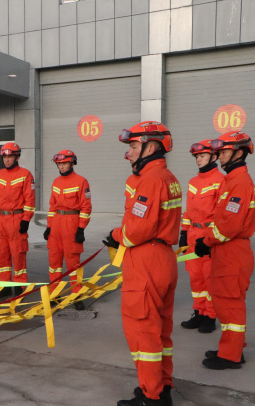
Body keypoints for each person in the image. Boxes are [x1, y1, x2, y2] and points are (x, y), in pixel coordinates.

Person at [103, 121, 180, 406]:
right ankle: (162, 387)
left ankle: (152, 396)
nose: (130, 152)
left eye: (134, 146)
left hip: (146, 260)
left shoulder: (150, 180)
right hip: (163, 258)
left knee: (143, 331)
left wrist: (115, 235)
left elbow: (137, 230)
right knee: (161, 332)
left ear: (151, 147)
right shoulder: (168, 177)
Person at [195, 131, 255, 370]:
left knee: (231, 303)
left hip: (233, 250)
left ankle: (231, 355)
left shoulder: (240, 183)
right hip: (226, 249)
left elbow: (229, 225)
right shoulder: (231, 181)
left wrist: (207, 241)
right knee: (223, 300)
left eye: (224, 152)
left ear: (239, 153)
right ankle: (231, 348)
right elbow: (221, 220)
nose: (219, 156)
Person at [179, 140, 223, 333]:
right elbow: (188, 210)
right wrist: (183, 232)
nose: (198, 159)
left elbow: (222, 215)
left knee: (209, 279)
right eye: (197, 156)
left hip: (209, 237)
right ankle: (198, 312)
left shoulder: (221, 181)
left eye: (202, 156)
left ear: (214, 157)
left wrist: (213, 239)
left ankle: (210, 316)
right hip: (192, 236)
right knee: (196, 278)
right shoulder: (193, 182)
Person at [44, 150, 92, 310]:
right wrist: (49, 226)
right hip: (56, 223)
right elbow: (52, 206)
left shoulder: (81, 181)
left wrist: (81, 228)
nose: (62, 166)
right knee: (54, 263)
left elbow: (86, 207)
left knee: (73, 263)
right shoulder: (56, 182)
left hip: (72, 223)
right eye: (59, 164)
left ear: (72, 163)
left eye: (64, 163)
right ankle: (55, 295)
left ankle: (76, 295)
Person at [0, 142, 36, 298]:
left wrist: (26, 219)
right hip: (1, 220)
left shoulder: (25, 175)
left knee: (18, 254)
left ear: (17, 157)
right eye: (5, 157)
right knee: (1, 254)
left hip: (16, 219)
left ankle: (19, 286)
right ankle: (5, 287)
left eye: (10, 157)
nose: (7, 160)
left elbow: (30, 199)